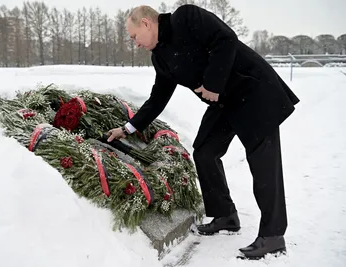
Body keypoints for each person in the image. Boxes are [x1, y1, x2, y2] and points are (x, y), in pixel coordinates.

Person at [107, 4, 299, 259]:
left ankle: (273, 236)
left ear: (146, 23)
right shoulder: (160, 57)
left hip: (253, 92)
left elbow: (226, 39)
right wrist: (127, 128)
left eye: (134, 37)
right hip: (225, 102)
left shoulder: (186, 18)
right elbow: (158, 98)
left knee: (263, 162)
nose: (135, 43)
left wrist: (212, 83)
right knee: (205, 151)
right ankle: (226, 215)